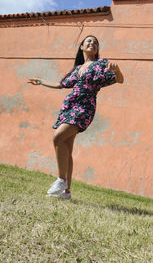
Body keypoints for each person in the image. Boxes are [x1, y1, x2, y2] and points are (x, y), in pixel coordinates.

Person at [28, 35, 123, 199]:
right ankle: (66, 192)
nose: (92, 43)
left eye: (95, 42)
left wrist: (117, 70)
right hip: (69, 106)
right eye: (89, 41)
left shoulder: (101, 64)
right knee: (66, 147)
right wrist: (41, 81)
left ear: (98, 49)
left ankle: (60, 179)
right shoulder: (76, 68)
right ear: (81, 47)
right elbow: (60, 84)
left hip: (85, 107)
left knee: (58, 137)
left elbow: (119, 80)